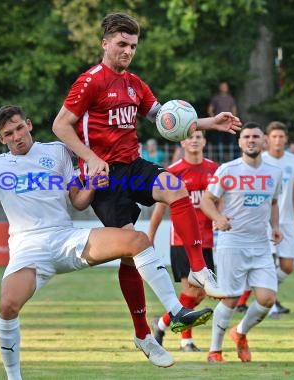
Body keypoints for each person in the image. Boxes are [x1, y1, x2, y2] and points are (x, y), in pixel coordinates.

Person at [0, 105, 215, 378]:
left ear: (28, 125)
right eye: (9, 134)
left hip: (66, 238)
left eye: (19, 128)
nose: (17, 136)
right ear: (0, 138)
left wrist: (92, 184)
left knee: (138, 241)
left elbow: (78, 202)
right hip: (27, 248)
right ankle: (13, 376)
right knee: (8, 306)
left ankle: (174, 313)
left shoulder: (57, 152)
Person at [52, 12, 241, 363]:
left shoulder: (135, 84)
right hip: (106, 177)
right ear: (105, 43)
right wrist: (90, 159)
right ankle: (143, 334)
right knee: (130, 249)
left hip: (133, 165)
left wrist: (209, 123)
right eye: (122, 44)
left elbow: (166, 121)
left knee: (176, 187)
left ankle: (199, 270)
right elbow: (61, 125)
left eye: (133, 46)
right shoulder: (90, 81)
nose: (127, 51)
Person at [199, 122, 283, 363]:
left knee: (267, 298)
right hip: (232, 243)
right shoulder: (228, 170)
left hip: (261, 244)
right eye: (246, 137)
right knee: (231, 298)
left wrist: (275, 227)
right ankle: (214, 350)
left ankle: (240, 332)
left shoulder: (273, 172)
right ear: (239, 142)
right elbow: (207, 200)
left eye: (256, 136)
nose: (251, 140)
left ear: (264, 141)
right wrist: (218, 217)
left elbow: (274, 202)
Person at [147, 130, 219, 352]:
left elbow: (221, 200)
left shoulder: (215, 169)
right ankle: (185, 341)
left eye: (199, 137)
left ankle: (161, 324)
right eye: (190, 137)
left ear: (204, 141)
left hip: (206, 242)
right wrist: (150, 236)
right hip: (181, 241)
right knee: (191, 290)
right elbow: (160, 208)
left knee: (199, 294)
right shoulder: (173, 171)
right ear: (183, 142)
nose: (194, 140)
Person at [262, 122, 294, 318]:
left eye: (281, 136)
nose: (278, 140)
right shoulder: (260, 160)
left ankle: (264, 290)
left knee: (287, 266)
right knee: (269, 264)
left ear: (286, 139)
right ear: (267, 139)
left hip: (286, 221)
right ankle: (271, 306)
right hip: (265, 221)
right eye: (274, 136)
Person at [207, 81, 239, 161]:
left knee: (232, 140)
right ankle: (220, 159)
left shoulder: (230, 98)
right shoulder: (216, 98)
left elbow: (234, 110)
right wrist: (214, 119)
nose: (224, 88)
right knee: (219, 141)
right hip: (219, 123)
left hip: (229, 123)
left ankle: (234, 158)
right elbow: (210, 109)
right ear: (220, 87)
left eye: (225, 86)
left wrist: (233, 119)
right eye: (222, 86)